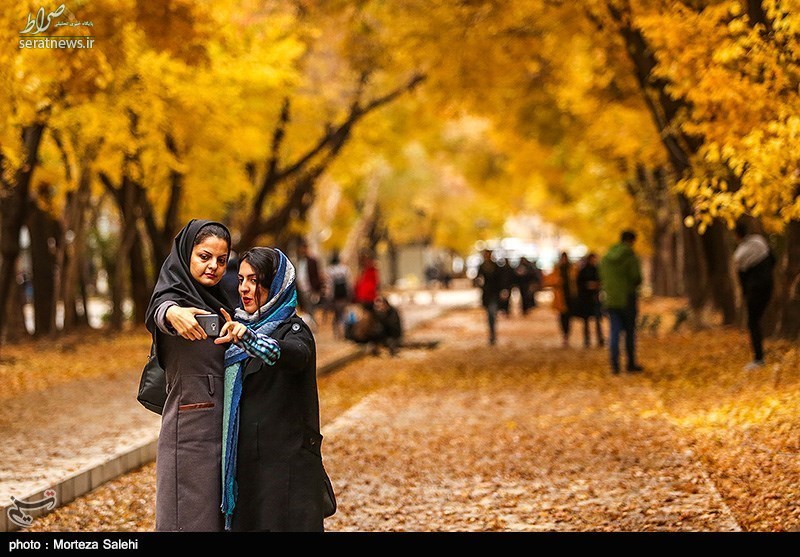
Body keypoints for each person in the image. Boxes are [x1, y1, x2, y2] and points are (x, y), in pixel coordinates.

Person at [215, 247, 329, 531]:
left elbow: (293, 355)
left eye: (254, 280)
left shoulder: (294, 330)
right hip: (248, 470)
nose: (244, 288)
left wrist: (251, 341)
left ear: (276, 283)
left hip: (287, 472)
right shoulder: (234, 331)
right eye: (241, 279)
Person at [144, 219, 234, 532]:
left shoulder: (221, 299)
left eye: (221, 260)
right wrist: (173, 313)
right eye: (204, 256)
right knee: (187, 520)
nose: (213, 266)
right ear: (187, 254)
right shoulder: (174, 296)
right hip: (190, 435)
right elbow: (159, 310)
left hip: (222, 432)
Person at [599, 230, 644, 374]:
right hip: (627, 298)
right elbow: (636, 277)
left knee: (614, 331)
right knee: (629, 332)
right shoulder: (630, 256)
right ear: (631, 240)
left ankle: (615, 365)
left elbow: (601, 275)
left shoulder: (606, 257)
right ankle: (630, 364)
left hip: (611, 299)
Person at [733, 221, 775, 370]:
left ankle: (759, 358)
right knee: (758, 318)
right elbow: (773, 260)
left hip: (754, 290)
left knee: (753, 322)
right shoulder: (759, 241)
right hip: (768, 285)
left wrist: (745, 296)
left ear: (736, 235)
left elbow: (742, 279)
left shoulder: (740, 254)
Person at [544, 252, 577, 347]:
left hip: (570, 297)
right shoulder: (557, 269)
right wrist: (557, 281)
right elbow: (550, 281)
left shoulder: (572, 269)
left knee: (569, 317)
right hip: (561, 297)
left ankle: (567, 334)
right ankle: (565, 335)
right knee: (562, 317)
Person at [475, 249, 504, 345]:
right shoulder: (482, 266)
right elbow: (477, 278)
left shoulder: (496, 266)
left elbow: (500, 280)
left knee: (492, 313)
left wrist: (503, 290)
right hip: (487, 294)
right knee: (489, 314)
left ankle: (492, 334)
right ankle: (491, 333)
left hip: (494, 293)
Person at [576, 253, 604, 348]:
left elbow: (601, 281)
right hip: (586, 299)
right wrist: (587, 286)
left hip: (595, 298)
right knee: (586, 320)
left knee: (597, 319)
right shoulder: (583, 271)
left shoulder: (597, 270)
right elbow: (579, 284)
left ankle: (600, 338)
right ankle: (587, 339)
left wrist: (597, 286)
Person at [295, 241, 323, 327]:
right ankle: (309, 324)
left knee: (311, 308)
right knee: (304, 308)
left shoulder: (312, 261)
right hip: (301, 289)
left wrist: (317, 289)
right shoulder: (298, 261)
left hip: (310, 289)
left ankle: (312, 325)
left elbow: (316, 275)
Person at [325, 251, 352, 339]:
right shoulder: (345, 269)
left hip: (335, 296)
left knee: (336, 314)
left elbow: (329, 284)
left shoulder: (330, 270)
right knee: (343, 313)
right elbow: (348, 284)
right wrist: (350, 294)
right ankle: (343, 331)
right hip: (343, 295)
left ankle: (337, 333)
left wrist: (329, 296)